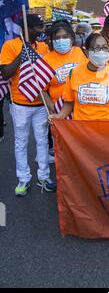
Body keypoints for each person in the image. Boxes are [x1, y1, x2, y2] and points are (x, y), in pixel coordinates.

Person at [0, 14, 56, 196]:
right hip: (20, 105)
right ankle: (23, 179)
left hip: (41, 104)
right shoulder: (10, 46)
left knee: (41, 142)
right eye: (38, 27)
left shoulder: (44, 47)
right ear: (27, 28)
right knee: (21, 143)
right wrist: (21, 54)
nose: (41, 31)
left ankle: (44, 176)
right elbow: (6, 73)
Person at [50, 33, 109, 122]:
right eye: (96, 48)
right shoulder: (74, 73)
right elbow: (69, 102)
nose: (101, 52)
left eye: (105, 48)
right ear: (86, 51)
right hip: (83, 130)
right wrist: (59, 117)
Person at [42, 20, 87, 115]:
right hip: (58, 110)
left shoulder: (80, 52)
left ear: (72, 38)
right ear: (52, 40)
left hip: (80, 110)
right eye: (57, 38)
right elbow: (41, 90)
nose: (61, 40)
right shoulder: (46, 59)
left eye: (65, 37)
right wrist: (54, 109)